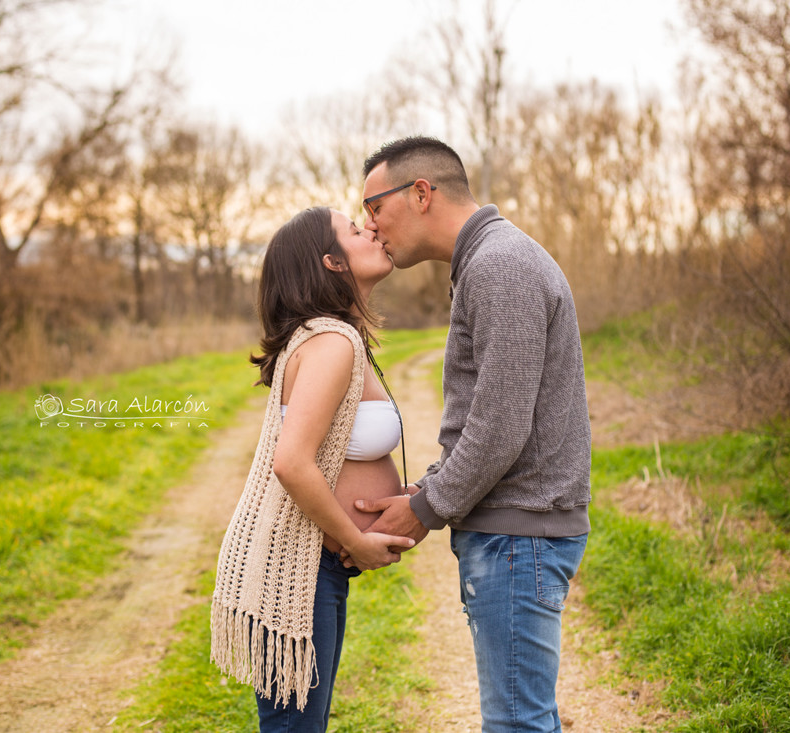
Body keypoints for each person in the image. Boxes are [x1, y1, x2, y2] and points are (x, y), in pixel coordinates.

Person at [355, 136, 592, 732]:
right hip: (513, 534)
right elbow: (487, 412)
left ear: (421, 193)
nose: (370, 225)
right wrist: (429, 485)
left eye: (374, 207)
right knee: (522, 720)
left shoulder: (500, 265)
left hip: (519, 535)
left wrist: (426, 508)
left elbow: (501, 426)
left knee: (516, 724)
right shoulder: (486, 262)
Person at [210, 206, 416, 733]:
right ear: (332, 262)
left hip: (311, 569)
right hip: (295, 570)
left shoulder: (335, 337)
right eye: (355, 230)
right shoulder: (330, 342)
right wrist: (357, 540)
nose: (371, 230)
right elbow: (292, 463)